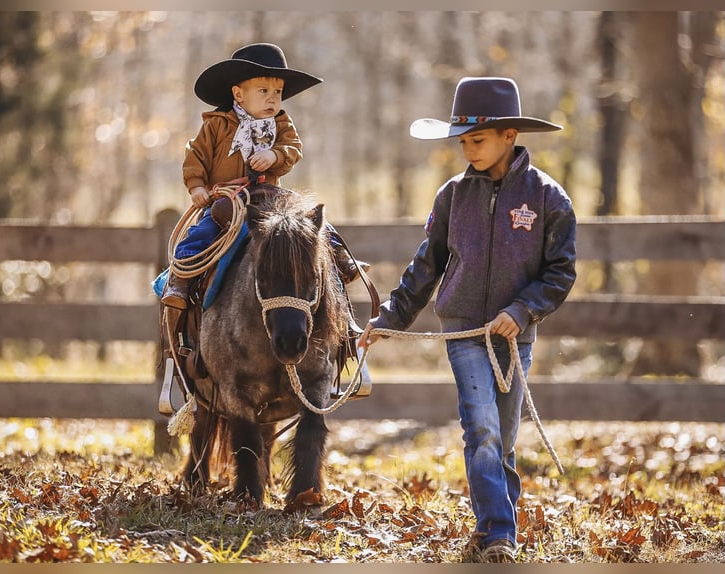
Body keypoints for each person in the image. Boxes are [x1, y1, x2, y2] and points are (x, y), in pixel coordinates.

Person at [359, 77, 577, 563]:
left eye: (476, 139)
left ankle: (492, 523)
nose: (468, 149)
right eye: (463, 141)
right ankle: (500, 531)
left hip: (514, 336)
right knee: (480, 428)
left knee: (503, 436)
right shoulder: (452, 197)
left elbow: (561, 272)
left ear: (509, 136)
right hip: (464, 334)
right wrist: (390, 317)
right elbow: (426, 266)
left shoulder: (547, 199)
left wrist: (521, 311)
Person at [161, 42, 364, 310]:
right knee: (204, 231)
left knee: (307, 219)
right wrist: (197, 186)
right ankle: (181, 280)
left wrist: (275, 156)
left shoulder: (280, 123)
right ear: (238, 94)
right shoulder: (217, 124)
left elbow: (293, 148)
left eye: (277, 92)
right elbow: (195, 156)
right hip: (227, 197)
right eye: (264, 91)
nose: (272, 98)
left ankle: (340, 257)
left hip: (267, 194)